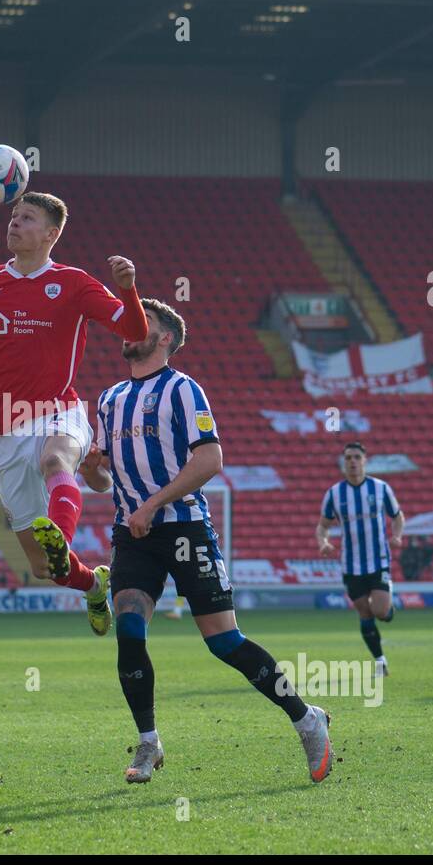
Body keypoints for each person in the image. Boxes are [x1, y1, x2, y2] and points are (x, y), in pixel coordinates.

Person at [79, 298, 334, 785]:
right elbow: (102, 481)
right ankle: (149, 742)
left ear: (166, 339)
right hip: (134, 535)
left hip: (184, 528)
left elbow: (210, 460)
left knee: (224, 643)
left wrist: (152, 504)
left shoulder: (183, 389)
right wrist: (93, 469)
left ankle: (307, 719)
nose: (129, 329)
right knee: (129, 628)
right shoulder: (109, 399)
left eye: (143, 323)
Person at [0, 192, 149, 636]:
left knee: (55, 460)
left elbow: (135, 331)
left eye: (26, 218)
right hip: (2, 424)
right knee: (44, 569)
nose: (14, 223)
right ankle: (92, 585)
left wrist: (128, 287)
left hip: (57, 409)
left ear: (51, 234)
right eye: (13, 215)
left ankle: (61, 537)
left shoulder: (75, 282)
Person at [316, 442, 405, 677]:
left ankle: (388, 609)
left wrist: (396, 536)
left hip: (378, 561)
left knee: (381, 612)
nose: (352, 461)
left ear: (365, 461)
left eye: (357, 457)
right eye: (348, 458)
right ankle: (380, 660)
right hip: (351, 565)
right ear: (343, 463)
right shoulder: (334, 494)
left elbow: (397, 517)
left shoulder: (381, 488)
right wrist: (323, 542)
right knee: (365, 613)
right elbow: (322, 526)